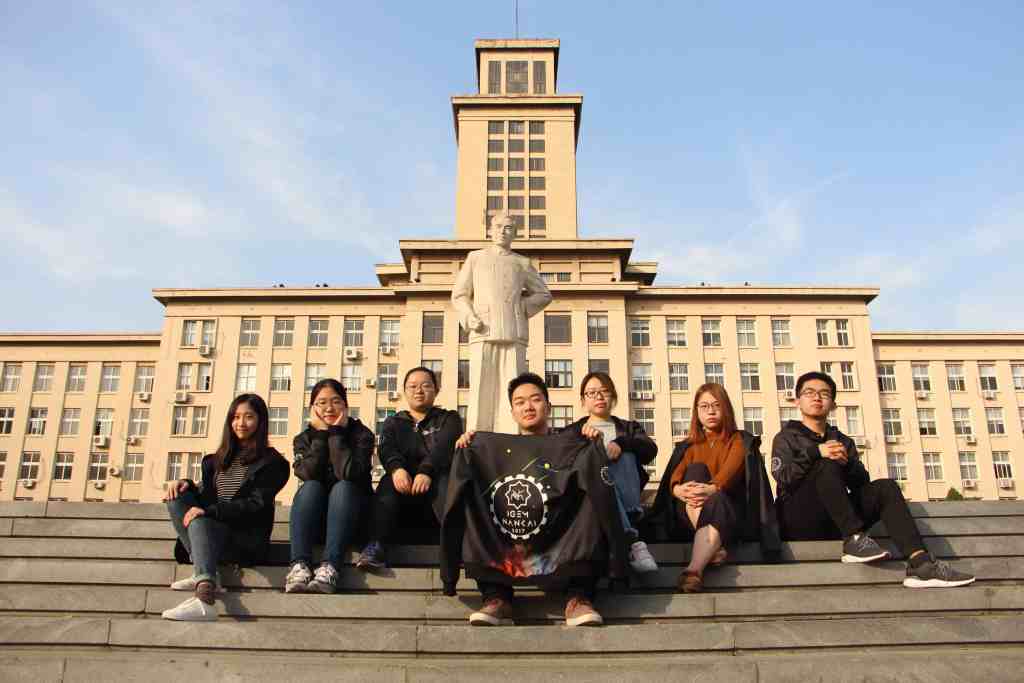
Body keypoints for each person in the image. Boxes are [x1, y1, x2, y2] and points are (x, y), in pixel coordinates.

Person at [773, 371, 975, 588]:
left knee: (885, 487)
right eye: (809, 393)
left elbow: (862, 486)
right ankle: (855, 539)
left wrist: (847, 464)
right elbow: (783, 478)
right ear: (797, 401)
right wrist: (815, 453)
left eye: (824, 394)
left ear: (833, 404)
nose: (817, 398)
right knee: (824, 463)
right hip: (798, 520)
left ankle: (920, 564)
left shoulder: (842, 441)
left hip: (835, 521)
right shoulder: (786, 437)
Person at [456, 372, 604, 627]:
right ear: (512, 411)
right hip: (511, 537)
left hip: (559, 531)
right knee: (472, 499)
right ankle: (497, 598)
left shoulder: (572, 444)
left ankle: (579, 598)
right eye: (520, 401)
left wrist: (592, 442)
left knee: (592, 495)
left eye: (535, 399)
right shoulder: (494, 452)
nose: (528, 406)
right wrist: (468, 448)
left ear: (548, 406)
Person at [163, 393, 289, 621]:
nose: (241, 423)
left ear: (261, 422)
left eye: (249, 417)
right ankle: (206, 570)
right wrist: (186, 485)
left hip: (243, 538)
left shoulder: (273, 463)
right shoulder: (215, 461)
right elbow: (204, 495)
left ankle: (205, 600)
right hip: (210, 531)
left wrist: (210, 512)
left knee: (200, 519)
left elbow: (256, 504)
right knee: (176, 497)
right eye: (236, 417)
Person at [451, 212, 552, 434]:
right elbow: (459, 294)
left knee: (514, 383)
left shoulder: (522, 262)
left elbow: (544, 294)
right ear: (490, 229)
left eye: (508, 228)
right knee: (481, 384)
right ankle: (478, 434)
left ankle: (514, 433)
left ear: (514, 233)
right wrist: (470, 316)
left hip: (513, 330)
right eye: (498, 226)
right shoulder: (476, 258)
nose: (502, 231)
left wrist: (521, 308)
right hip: (483, 329)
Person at [355, 366, 461, 571]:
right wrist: (396, 469)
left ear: (436, 389)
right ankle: (376, 545)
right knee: (388, 481)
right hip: (403, 500)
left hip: (436, 500)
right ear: (405, 391)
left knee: (446, 480)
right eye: (412, 386)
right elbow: (386, 449)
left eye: (425, 385)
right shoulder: (393, 422)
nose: (419, 390)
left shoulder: (449, 419)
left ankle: (455, 546)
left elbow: (445, 447)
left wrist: (427, 470)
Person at [656, 383, 749, 593]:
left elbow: (730, 471)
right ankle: (714, 549)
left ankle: (694, 569)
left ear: (726, 408)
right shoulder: (689, 445)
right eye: (704, 406)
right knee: (696, 469)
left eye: (716, 405)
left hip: (728, 510)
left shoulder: (738, 440)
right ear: (696, 412)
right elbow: (675, 478)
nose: (711, 411)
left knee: (716, 499)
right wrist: (679, 490)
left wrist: (712, 489)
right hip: (689, 512)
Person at [285, 379, 375, 593]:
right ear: (312, 409)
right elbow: (307, 473)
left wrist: (335, 434)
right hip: (315, 523)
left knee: (343, 487)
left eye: (336, 401)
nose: (329, 408)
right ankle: (299, 565)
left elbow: (348, 473)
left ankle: (330, 567)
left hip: (353, 520)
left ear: (345, 406)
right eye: (321, 402)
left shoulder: (362, 434)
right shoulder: (303, 439)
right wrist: (321, 436)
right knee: (311, 487)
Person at [565, 371, 658, 573]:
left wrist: (622, 443)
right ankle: (632, 540)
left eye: (604, 391)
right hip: (590, 502)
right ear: (583, 400)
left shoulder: (628, 427)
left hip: (626, 496)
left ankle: (626, 523)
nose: (599, 397)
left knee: (626, 456)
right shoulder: (573, 431)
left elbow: (650, 450)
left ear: (613, 397)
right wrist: (585, 445)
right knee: (595, 470)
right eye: (592, 393)